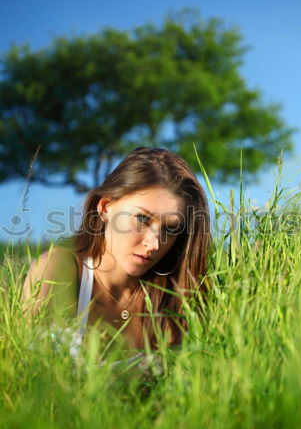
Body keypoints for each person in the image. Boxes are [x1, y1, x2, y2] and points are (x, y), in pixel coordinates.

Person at [21, 147, 211, 356]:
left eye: (171, 228)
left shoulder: (177, 295)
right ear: (105, 207)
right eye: (142, 218)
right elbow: (28, 371)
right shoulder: (60, 270)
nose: (154, 244)